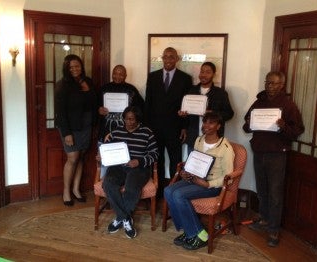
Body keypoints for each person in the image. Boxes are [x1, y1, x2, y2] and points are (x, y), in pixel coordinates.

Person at [242, 71, 304, 247]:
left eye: (274, 83)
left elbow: (297, 130)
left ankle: (274, 229)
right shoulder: (258, 102)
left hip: (277, 154)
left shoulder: (288, 105)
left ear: (281, 85)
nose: (270, 86)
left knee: (275, 193)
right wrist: (248, 121)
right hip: (259, 151)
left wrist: (284, 126)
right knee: (262, 190)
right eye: (268, 82)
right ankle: (264, 219)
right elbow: (246, 127)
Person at [164, 112, 235, 250]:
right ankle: (188, 231)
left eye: (211, 123)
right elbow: (194, 162)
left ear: (218, 126)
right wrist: (186, 172)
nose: (206, 126)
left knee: (179, 195)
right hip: (195, 179)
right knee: (168, 190)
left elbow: (229, 177)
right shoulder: (199, 140)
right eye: (205, 122)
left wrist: (208, 184)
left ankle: (200, 234)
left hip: (212, 185)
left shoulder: (225, 148)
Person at [101, 106, 158, 239]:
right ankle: (125, 218)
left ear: (138, 119)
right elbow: (107, 149)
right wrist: (101, 156)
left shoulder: (147, 132)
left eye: (132, 119)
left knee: (132, 185)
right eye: (126, 119)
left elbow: (155, 154)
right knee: (108, 184)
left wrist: (139, 161)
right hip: (118, 167)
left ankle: (120, 218)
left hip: (139, 168)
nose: (129, 122)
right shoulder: (116, 132)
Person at [144, 47, 193, 194]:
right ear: (162, 58)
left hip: (175, 127)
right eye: (165, 57)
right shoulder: (152, 77)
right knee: (157, 160)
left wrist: (184, 127)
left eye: (171, 57)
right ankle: (158, 192)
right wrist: (147, 128)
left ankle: (173, 190)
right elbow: (148, 103)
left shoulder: (185, 78)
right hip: (155, 128)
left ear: (177, 59)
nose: (168, 60)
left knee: (175, 161)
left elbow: (187, 106)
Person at [55, 54, 97, 206]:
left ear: (81, 66)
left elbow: (94, 102)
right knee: (72, 157)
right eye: (71, 67)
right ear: (66, 68)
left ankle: (76, 190)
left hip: (86, 125)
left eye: (77, 66)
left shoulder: (88, 81)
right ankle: (66, 192)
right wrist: (66, 133)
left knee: (80, 157)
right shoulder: (62, 85)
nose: (74, 69)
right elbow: (60, 112)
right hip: (70, 127)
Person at [97, 65, 144, 177]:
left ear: (125, 75)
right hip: (105, 132)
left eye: (121, 74)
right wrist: (98, 110)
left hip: (126, 134)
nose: (117, 76)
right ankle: (104, 187)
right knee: (105, 161)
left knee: (123, 160)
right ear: (112, 74)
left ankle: (120, 184)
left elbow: (141, 109)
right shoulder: (104, 89)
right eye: (115, 73)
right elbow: (94, 106)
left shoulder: (131, 90)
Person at [178, 61, 234, 153]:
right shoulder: (191, 91)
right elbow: (187, 116)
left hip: (213, 140)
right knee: (193, 166)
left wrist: (213, 113)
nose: (204, 75)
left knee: (213, 166)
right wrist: (183, 115)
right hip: (194, 138)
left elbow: (229, 114)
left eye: (208, 72)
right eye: (202, 71)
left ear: (213, 74)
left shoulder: (220, 93)